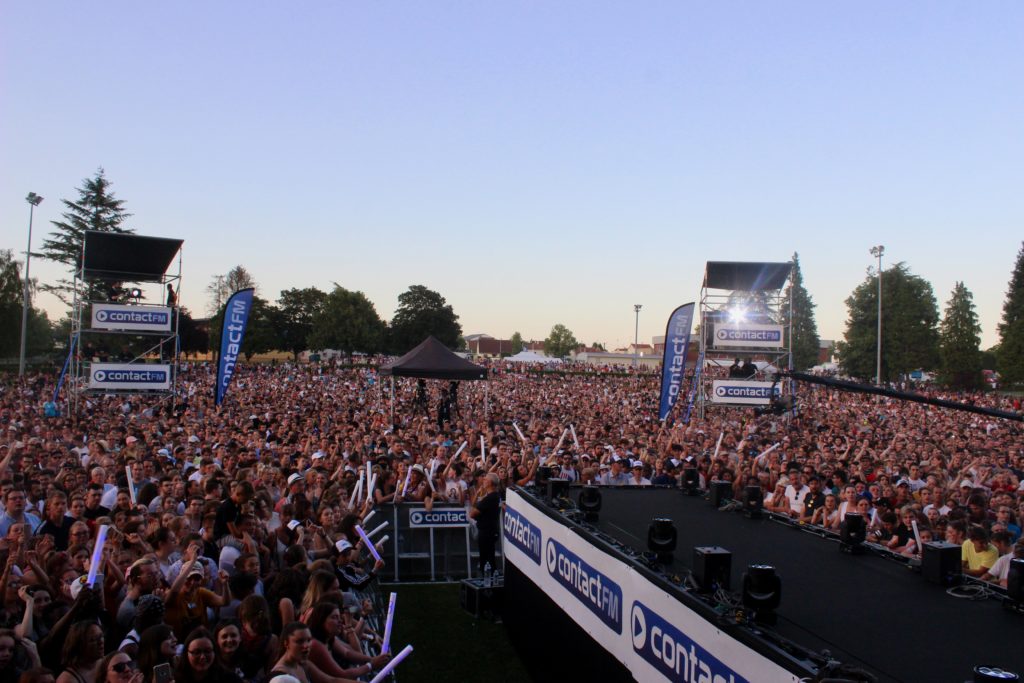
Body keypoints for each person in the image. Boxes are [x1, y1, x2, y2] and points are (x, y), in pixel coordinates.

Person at [174, 628, 241, 683]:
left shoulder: (230, 679)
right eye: (197, 652)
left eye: (207, 651)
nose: (202, 657)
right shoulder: (175, 679)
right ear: (186, 654)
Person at [469, 473, 501, 575]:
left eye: (485, 479)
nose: (483, 480)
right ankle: (490, 577)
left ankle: (488, 579)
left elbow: (472, 514)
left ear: (490, 482)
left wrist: (479, 501)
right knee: (489, 556)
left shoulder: (490, 498)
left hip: (486, 531)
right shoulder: (495, 496)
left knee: (486, 558)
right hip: (491, 530)